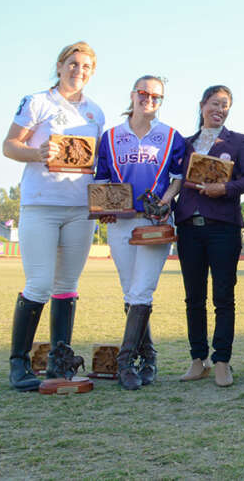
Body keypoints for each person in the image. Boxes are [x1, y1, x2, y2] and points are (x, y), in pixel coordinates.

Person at [2, 42, 104, 391]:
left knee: (67, 286)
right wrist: (36, 152)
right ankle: (19, 362)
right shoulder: (37, 102)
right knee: (40, 284)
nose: (79, 71)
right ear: (60, 66)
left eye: (86, 67)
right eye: (73, 64)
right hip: (41, 204)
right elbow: (9, 145)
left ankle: (59, 361)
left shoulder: (95, 112)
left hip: (80, 208)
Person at [94, 75, 186, 390]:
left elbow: (177, 178)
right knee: (130, 292)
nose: (150, 99)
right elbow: (102, 179)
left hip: (154, 222)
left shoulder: (172, 136)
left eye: (157, 96)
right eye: (144, 93)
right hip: (121, 222)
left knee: (141, 291)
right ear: (133, 95)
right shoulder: (110, 137)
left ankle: (125, 364)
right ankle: (148, 357)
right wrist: (103, 206)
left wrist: (165, 200)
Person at [174, 85, 244, 387]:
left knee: (224, 296)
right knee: (193, 297)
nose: (218, 109)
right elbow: (172, 181)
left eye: (224, 105)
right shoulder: (183, 144)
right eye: (214, 103)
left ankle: (222, 360)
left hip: (223, 226)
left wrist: (225, 188)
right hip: (188, 228)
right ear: (201, 105)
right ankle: (199, 359)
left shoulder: (239, 141)